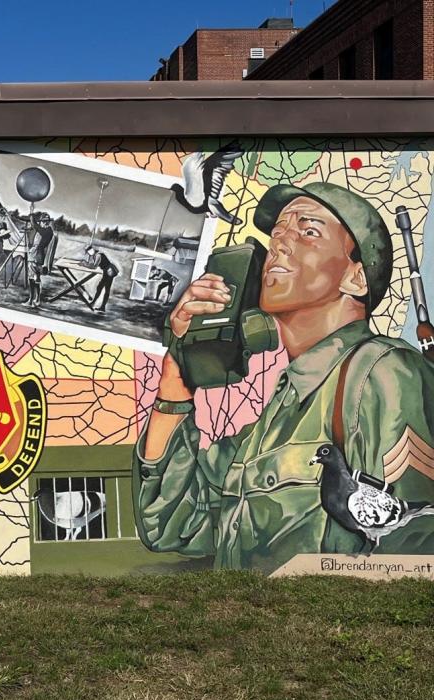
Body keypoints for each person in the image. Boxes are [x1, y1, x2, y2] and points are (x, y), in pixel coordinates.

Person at [132, 182, 434, 572]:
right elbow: (170, 524)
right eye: (278, 232)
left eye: (308, 231)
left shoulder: (381, 373)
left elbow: (414, 553)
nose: (279, 244)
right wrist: (178, 368)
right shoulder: (276, 415)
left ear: (356, 279)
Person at [25, 212, 56, 308]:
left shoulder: (48, 231)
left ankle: (33, 300)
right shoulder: (44, 230)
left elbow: (35, 226)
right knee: (34, 278)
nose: (45, 223)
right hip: (35, 255)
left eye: (47, 221)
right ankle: (34, 300)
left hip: (36, 256)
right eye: (44, 221)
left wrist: (31, 217)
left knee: (34, 278)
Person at [84, 246, 119, 313]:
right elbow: (92, 264)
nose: (88, 253)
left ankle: (102, 306)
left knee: (106, 289)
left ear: (91, 250)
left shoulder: (98, 255)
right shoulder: (95, 255)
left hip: (110, 271)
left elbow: (94, 267)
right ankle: (94, 303)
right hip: (106, 271)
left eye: (88, 251)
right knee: (100, 287)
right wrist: (87, 263)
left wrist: (84, 264)